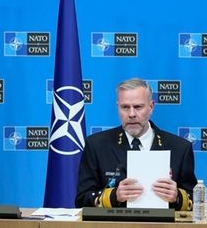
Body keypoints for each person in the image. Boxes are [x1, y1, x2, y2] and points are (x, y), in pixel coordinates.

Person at [75, 78, 197, 210]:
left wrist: (177, 196)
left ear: (151, 107)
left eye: (138, 107)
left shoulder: (180, 147)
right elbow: (81, 200)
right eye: (125, 107)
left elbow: (195, 202)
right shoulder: (96, 145)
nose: (131, 114)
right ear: (118, 107)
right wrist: (114, 196)